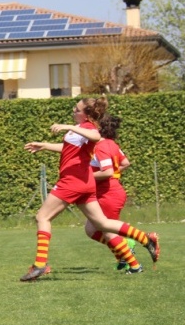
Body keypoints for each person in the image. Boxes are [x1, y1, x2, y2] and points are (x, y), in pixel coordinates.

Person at [20, 97, 160, 281]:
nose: (73, 111)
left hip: (72, 181)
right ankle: (145, 239)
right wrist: (45, 146)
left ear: (86, 114)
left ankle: (39, 265)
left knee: (42, 217)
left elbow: (95, 135)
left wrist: (67, 126)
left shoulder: (89, 127)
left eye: (77, 109)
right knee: (101, 224)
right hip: (84, 182)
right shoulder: (81, 129)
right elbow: (69, 148)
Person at [85, 114, 138, 271]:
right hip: (105, 191)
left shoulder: (101, 146)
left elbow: (107, 172)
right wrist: (114, 173)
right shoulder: (111, 143)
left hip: (109, 193)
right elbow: (125, 163)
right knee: (90, 230)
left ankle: (132, 261)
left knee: (107, 231)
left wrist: (86, 177)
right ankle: (123, 251)